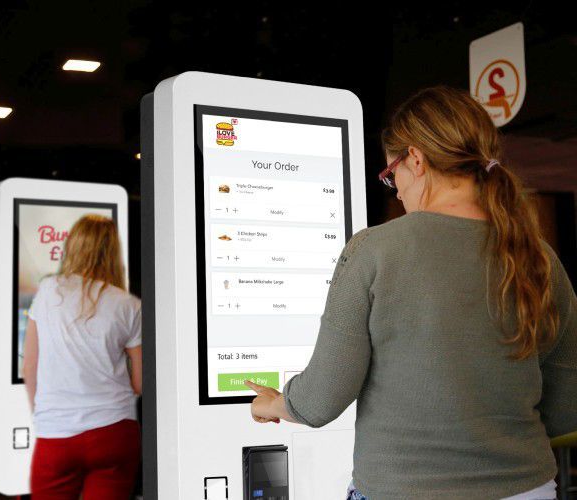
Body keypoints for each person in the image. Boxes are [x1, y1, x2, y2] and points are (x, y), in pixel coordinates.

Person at [245, 86, 577, 499]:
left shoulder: (374, 250)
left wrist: (274, 404)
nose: (397, 191)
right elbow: (566, 405)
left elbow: (321, 400)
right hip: (528, 487)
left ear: (415, 159)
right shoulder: (538, 255)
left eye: (392, 174)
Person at [23, 214, 142, 500]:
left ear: (72, 246)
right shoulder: (129, 305)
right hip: (114, 432)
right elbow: (140, 383)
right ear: (113, 252)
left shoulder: (49, 290)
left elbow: (30, 367)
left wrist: (44, 415)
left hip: (56, 435)